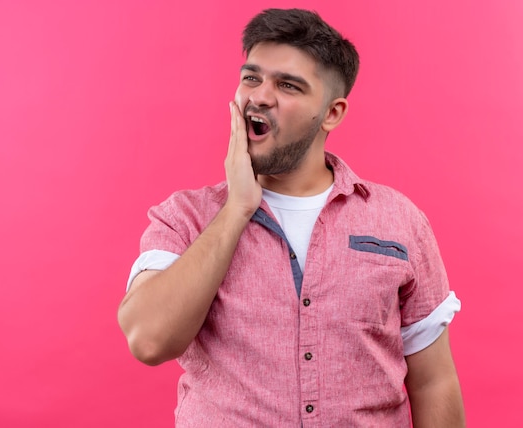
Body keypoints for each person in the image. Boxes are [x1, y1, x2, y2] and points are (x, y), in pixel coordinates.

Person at [118, 8, 465, 427]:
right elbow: (149, 339)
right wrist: (236, 209)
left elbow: (434, 382)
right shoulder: (185, 217)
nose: (260, 96)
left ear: (332, 113)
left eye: (287, 85)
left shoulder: (399, 220)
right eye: (251, 78)